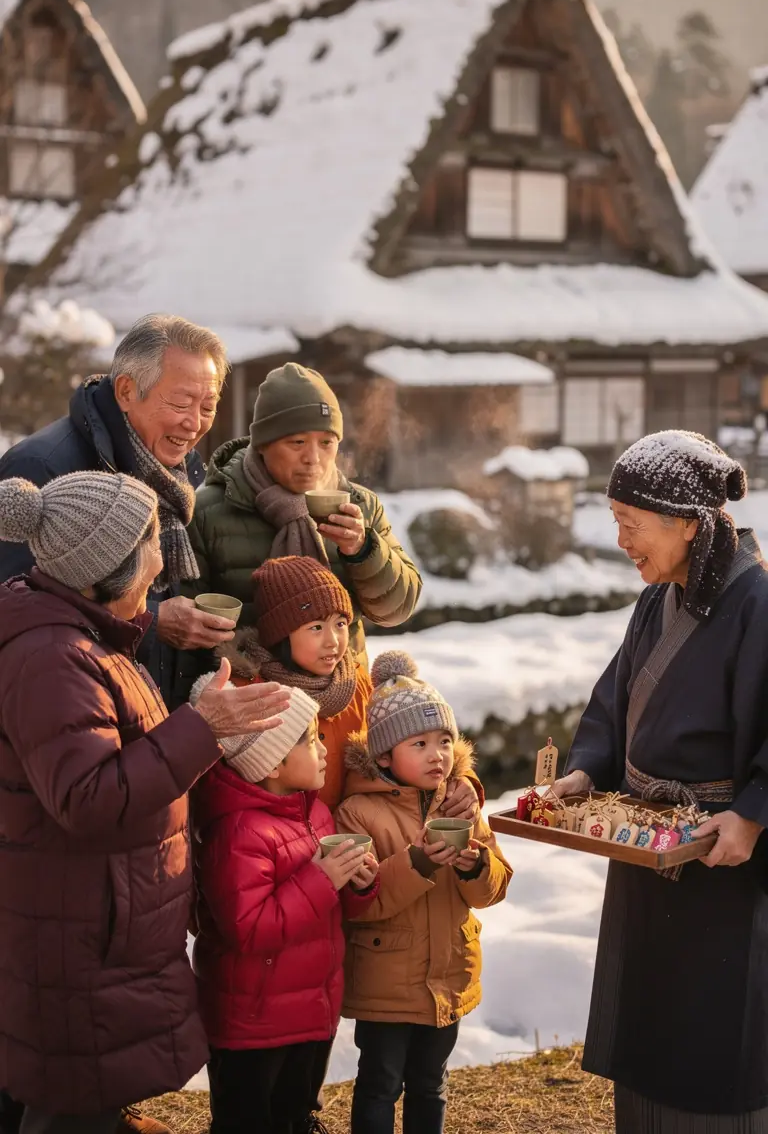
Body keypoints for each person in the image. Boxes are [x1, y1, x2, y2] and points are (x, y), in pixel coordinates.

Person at [0, 471, 291, 1134]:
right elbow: (88, 796)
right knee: (70, 1107)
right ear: (106, 567)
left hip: (91, 923)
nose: (163, 562)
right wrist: (203, 727)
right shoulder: (54, 655)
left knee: (77, 1100)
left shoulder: (86, 635)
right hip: (79, 934)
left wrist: (201, 723)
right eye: (152, 544)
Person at [551, 430, 768, 1132]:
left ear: (686, 523)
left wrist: (753, 815)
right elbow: (616, 701)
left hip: (717, 856)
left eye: (629, 524)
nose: (621, 542)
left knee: (709, 1037)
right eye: (616, 522)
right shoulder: (658, 599)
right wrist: (587, 767)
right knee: (648, 1017)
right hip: (648, 844)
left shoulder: (758, 605)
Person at [0, 313, 237, 709]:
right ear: (127, 391)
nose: (195, 424)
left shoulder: (175, 474)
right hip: (70, 713)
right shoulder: (44, 466)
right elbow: (16, 613)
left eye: (208, 406)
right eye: (180, 402)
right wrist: (154, 622)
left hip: (145, 707)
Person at [188, 678, 379, 1134]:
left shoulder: (313, 812)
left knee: (295, 1115)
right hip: (253, 1024)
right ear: (273, 763)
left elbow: (326, 911)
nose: (325, 750)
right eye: (312, 740)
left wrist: (356, 885)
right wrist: (323, 879)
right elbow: (248, 930)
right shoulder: (238, 832)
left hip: (311, 1010)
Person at [335, 649, 513, 1134]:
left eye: (445, 740)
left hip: (448, 973)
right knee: (379, 1084)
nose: (438, 753)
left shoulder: (461, 802)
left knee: (430, 1083)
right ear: (385, 755)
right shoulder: (358, 812)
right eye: (420, 743)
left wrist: (478, 864)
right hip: (385, 983)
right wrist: (415, 862)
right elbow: (363, 902)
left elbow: (490, 892)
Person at [178, 362, 422, 706]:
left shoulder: (358, 508)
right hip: (253, 712)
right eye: (297, 442)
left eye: (327, 443)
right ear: (262, 443)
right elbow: (186, 642)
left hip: (344, 704)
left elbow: (399, 607)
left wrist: (363, 549)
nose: (314, 458)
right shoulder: (208, 512)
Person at [221, 554, 481, 820]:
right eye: (316, 627)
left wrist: (461, 779)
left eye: (341, 624)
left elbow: (414, 738)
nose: (332, 641)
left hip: (363, 839)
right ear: (281, 633)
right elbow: (226, 797)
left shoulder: (357, 683)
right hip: (285, 847)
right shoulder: (250, 695)